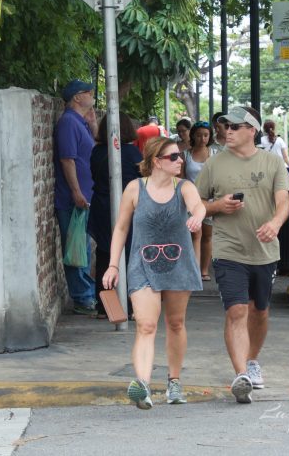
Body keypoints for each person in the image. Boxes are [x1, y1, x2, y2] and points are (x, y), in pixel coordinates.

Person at [195, 106, 289, 404]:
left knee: (259, 310)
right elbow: (197, 203)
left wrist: (275, 224)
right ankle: (242, 376)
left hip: (264, 250)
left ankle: (252, 359)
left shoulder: (272, 161)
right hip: (228, 249)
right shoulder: (214, 164)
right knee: (236, 310)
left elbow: (283, 201)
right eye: (226, 127)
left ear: (252, 130)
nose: (228, 132)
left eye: (236, 127)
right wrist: (217, 207)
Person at [103, 136, 206, 409]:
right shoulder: (135, 189)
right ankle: (143, 385)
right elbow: (121, 228)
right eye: (173, 157)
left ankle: (174, 381)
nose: (179, 160)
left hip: (178, 263)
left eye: (179, 156)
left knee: (175, 323)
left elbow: (198, 205)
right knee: (146, 324)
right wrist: (113, 264)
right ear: (156, 161)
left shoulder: (184, 187)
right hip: (143, 264)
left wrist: (197, 215)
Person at [88, 113, 143, 318]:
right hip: (128, 208)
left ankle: (105, 308)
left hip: (102, 207)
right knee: (129, 256)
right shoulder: (132, 153)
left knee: (104, 256)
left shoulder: (97, 152)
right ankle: (129, 307)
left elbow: (94, 175)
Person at [54, 79, 98, 315]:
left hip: (84, 197)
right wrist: (76, 191)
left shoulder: (80, 122)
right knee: (76, 250)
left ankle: (86, 295)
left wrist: (92, 125)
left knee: (83, 249)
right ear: (77, 98)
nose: (92, 94)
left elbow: (96, 148)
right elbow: (67, 159)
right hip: (74, 199)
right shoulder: (68, 123)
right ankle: (82, 298)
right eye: (87, 91)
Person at [183, 121, 214, 281]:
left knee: (208, 236)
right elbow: (180, 177)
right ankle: (194, 269)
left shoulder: (214, 154)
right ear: (193, 136)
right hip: (190, 199)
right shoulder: (186, 154)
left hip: (209, 199)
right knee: (195, 234)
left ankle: (204, 270)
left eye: (206, 135)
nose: (203, 138)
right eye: (199, 135)